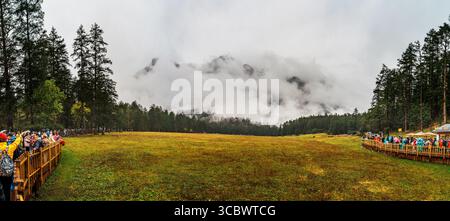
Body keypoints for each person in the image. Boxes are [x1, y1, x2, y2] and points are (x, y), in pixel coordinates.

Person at [0, 131, 26, 201]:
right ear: (6, 140)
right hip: (8, 171)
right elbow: (16, 142)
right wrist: (20, 136)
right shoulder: (10, 148)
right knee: (7, 187)